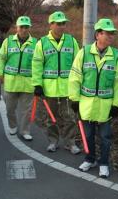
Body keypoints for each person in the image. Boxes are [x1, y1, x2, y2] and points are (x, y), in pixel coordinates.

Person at [68, 18, 118, 178]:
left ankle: (104, 163)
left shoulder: (115, 56)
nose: (110, 37)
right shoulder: (84, 53)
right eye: (107, 33)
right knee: (87, 135)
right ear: (97, 34)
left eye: (112, 34)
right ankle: (90, 159)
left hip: (105, 106)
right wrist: (74, 99)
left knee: (105, 137)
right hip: (86, 104)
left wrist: (117, 104)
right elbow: (75, 77)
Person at [32, 11, 81, 154]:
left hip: (68, 89)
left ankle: (70, 143)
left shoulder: (71, 41)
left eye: (63, 24)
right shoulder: (42, 43)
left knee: (70, 118)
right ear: (51, 24)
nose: (62, 26)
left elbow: (78, 65)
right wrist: (37, 84)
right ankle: (53, 141)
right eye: (58, 24)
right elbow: (37, 64)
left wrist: (79, 85)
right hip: (49, 89)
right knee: (50, 118)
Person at [0, 16, 37, 141]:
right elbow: (1, 57)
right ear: (17, 28)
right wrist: (0, 73)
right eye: (21, 27)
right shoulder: (8, 42)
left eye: (26, 27)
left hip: (28, 83)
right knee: (10, 109)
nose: (24, 30)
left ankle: (25, 130)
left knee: (26, 110)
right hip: (11, 82)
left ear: (29, 28)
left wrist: (38, 81)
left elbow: (39, 63)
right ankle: (12, 125)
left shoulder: (36, 43)